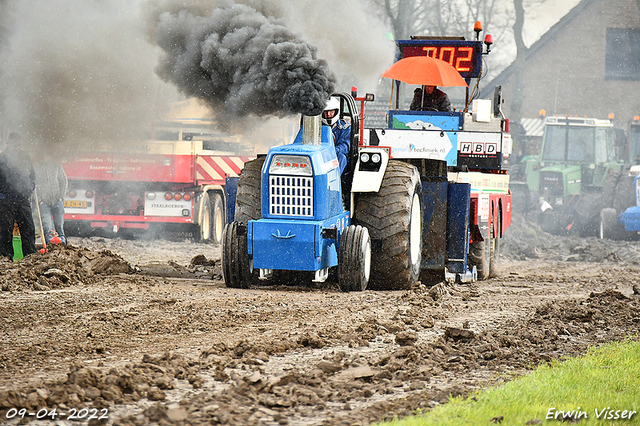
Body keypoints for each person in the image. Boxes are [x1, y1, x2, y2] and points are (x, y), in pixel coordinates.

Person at [0, 132, 38, 260]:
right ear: (8, 143)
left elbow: (32, 175)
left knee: (28, 229)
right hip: (6, 200)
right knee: (5, 231)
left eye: (18, 143)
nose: (16, 145)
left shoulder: (25, 157)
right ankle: (6, 258)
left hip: (23, 199)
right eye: (14, 143)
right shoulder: (2, 158)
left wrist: (30, 187)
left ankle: (30, 258)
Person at [33, 157, 68, 245]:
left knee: (59, 225)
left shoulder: (56, 165)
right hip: (44, 202)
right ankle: (49, 244)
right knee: (47, 226)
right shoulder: (35, 167)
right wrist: (40, 200)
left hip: (57, 200)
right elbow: (32, 185)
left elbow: (63, 181)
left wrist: (61, 197)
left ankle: (62, 242)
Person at [321, 96, 351, 175]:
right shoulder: (316, 127)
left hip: (336, 156)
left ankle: (334, 180)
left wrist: (333, 150)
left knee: (342, 157)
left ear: (336, 111)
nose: (328, 114)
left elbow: (345, 146)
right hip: (320, 156)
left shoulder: (345, 127)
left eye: (331, 111)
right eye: (325, 112)